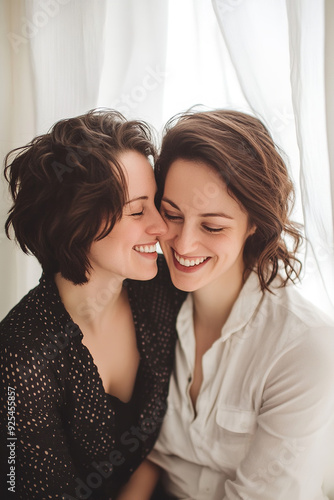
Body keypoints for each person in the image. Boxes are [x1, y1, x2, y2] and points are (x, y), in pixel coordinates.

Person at [118, 109, 334, 500]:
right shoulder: (152, 302)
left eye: (212, 226)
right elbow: (152, 455)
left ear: (254, 224)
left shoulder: (306, 348)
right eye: (172, 215)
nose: (183, 245)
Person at [0, 109, 186, 499]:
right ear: (77, 223)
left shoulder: (161, 288)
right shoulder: (19, 357)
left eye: (155, 203)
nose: (162, 227)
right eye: (137, 211)